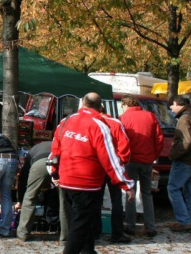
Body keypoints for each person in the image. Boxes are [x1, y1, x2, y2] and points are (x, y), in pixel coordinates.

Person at [47, 92, 135, 254]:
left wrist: (54, 173)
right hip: (86, 184)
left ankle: (89, 252)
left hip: (66, 181)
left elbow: (54, 152)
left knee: (82, 222)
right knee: (80, 226)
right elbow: (110, 158)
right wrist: (126, 184)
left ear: (82, 104)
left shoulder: (65, 122)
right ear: (101, 107)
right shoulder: (99, 126)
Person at [119, 94, 163, 238]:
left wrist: (122, 158)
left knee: (130, 192)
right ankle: (150, 227)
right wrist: (153, 156)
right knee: (147, 193)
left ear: (126, 105)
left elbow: (120, 140)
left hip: (130, 160)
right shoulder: (150, 116)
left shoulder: (124, 118)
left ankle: (130, 226)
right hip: (147, 160)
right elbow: (159, 139)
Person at [16, 141, 68, 242]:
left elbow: (23, 177)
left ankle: (23, 234)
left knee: (30, 198)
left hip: (40, 164)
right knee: (64, 201)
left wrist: (20, 199)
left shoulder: (34, 149)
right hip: (59, 164)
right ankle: (65, 236)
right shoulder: (62, 144)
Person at [168, 96, 191, 232]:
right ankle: (187, 220)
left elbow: (186, 142)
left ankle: (183, 221)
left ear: (177, 103)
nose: (171, 110)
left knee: (173, 188)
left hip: (185, 160)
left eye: (171, 106)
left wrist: (172, 155)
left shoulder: (184, 118)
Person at [98, 108, 132, 243]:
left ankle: (95, 232)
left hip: (97, 167)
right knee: (116, 201)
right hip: (113, 167)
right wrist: (121, 162)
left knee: (95, 200)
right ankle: (117, 234)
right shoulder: (115, 123)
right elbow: (124, 146)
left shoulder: (90, 122)